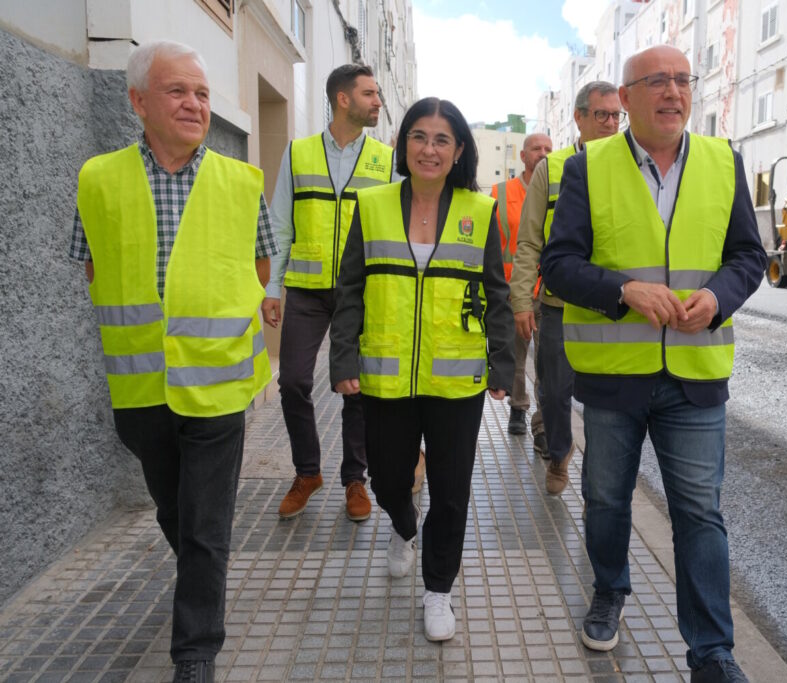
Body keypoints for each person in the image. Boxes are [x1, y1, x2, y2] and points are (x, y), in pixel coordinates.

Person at [540, 45, 766, 683]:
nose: (673, 91)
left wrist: (718, 297)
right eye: (657, 81)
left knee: (700, 511)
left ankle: (712, 653)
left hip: (695, 377)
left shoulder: (724, 163)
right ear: (629, 96)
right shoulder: (588, 168)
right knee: (606, 499)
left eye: (683, 80)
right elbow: (560, 264)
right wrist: (623, 292)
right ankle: (610, 589)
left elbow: (749, 257)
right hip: (615, 377)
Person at [70, 41, 276, 683]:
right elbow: (93, 264)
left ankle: (195, 653)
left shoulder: (242, 182)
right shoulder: (97, 178)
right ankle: (200, 582)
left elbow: (260, 263)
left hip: (217, 383)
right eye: (178, 92)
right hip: (140, 389)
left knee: (207, 521)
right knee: (174, 510)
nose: (194, 104)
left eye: (203, 94)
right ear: (137, 102)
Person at [330, 97, 514, 642]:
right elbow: (351, 289)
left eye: (441, 140)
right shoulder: (374, 204)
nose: (429, 149)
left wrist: (503, 363)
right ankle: (403, 527)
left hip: (457, 379)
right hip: (386, 376)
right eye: (418, 136)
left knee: (452, 488)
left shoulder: (479, 212)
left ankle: (438, 591)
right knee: (388, 478)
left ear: (459, 150)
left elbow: (497, 294)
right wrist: (342, 357)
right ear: (402, 143)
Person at [263, 64, 417, 523]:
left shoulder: (386, 160)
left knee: (357, 388)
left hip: (360, 291)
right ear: (342, 99)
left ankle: (355, 479)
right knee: (292, 381)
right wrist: (272, 287)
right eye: (370, 93)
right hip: (306, 291)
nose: (378, 102)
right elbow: (279, 222)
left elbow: (395, 227)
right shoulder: (298, 153)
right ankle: (307, 472)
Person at [508, 81, 621, 495]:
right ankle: (559, 453)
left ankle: (599, 481)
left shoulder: (630, 167)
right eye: (601, 115)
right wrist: (521, 299)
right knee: (554, 392)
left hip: (612, 305)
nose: (611, 123)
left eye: (616, 115)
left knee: (607, 403)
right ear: (579, 117)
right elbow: (530, 240)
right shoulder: (551, 169)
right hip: (558, 304)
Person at [490, 132, 552, 437]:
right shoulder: (500, 193)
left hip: (550, 290)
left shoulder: (561, 189)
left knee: (546, 361)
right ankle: (518, 407)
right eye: (536, 148)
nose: (543, 153)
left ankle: (542, 420)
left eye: (548, 149)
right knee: (515, 356)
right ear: (523, 156)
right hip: (514, 290)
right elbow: (492, 246)